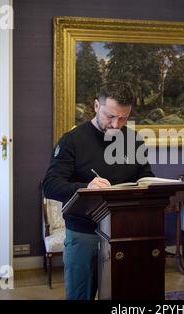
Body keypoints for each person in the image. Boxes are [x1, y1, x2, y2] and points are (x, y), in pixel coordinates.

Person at [43, 82, 154, 300]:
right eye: (110, 116)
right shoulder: (72, 141)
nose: (116, 124)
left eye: (123, 118)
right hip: (85, 232)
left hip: (125, 231)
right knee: (80, 295)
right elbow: (50, 185)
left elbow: (145, 176)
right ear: (96, 106)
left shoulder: (134, 140)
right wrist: (86, 187)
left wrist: (150, 186)